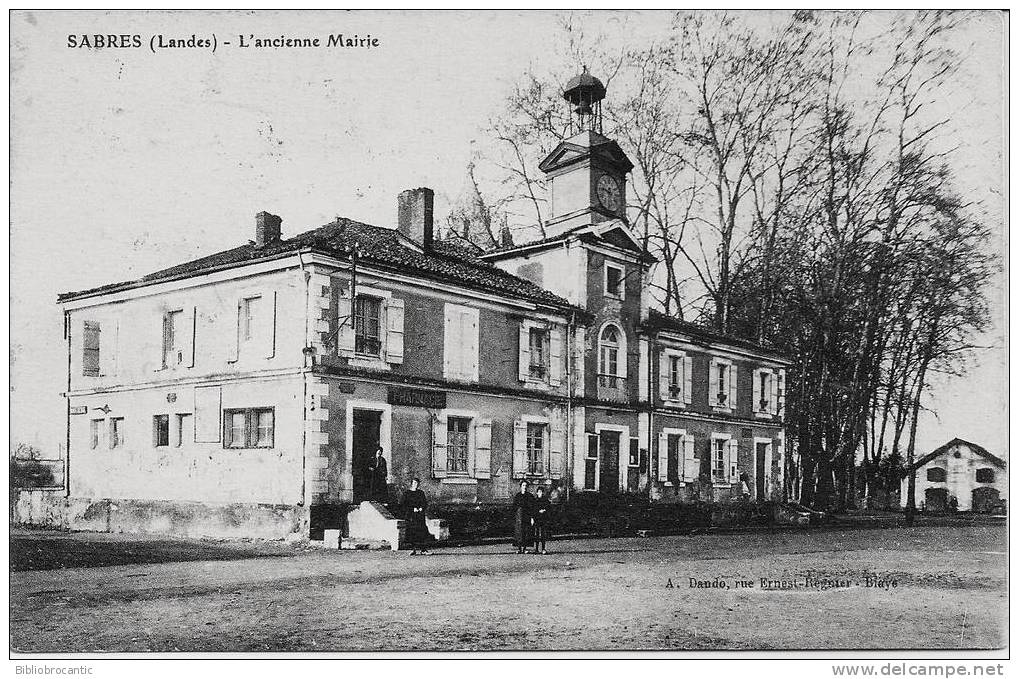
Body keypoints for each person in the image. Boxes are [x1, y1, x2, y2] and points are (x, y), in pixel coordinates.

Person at [402, 478, 430, 555]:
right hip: (411, 516)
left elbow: (424, 503)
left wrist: (421, 508)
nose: (416, 484)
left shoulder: (421, 493)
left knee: (421, 532)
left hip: (420, 516)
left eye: (417, 483)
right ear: (411, 484)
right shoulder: (407, 493)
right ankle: (413, 549)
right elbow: (403, 505)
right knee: (412, 533)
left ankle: (423, 550)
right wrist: (412, 509)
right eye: (414, 483)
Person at [512, 480, 535, 554]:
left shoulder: (529, 496)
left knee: (526, 531)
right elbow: (514, 507)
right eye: (523, 485)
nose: (524, 487)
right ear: (521, 487)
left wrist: (532, 517)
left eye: (526, 486)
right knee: (519, 532)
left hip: (527, 516)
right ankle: (519, 548)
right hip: (519, 516)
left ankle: (525, 548)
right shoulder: (518, 496)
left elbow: (532, 508)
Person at [532, 486, 552, 554]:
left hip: (543, 519)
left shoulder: (546, 500)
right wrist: (537, 512)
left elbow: (549, 508)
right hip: (537, 518)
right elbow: (533, 510)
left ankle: (543, 548)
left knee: (543, 534)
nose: (541, 493)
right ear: (537, 493)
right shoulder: (535, 500)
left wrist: (544, 510)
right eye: (539, 492)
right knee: (537, 534)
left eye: (542, 492)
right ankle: (536, 549)